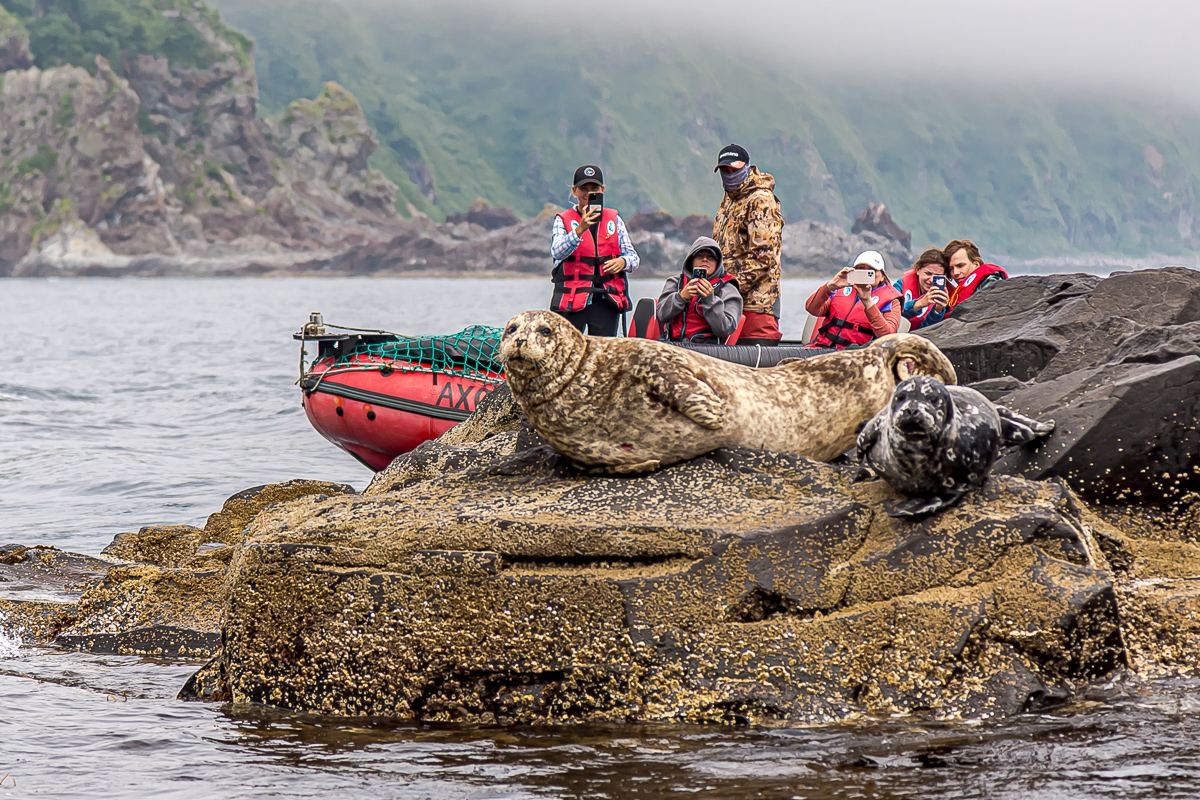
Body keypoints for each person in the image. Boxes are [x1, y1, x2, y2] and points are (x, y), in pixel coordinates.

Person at [549, 164, 640, 335]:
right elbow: (557, 252)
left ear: (603, 189)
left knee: (603, 356)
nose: (589, 193)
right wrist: (579, 230)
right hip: (571, 301)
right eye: (584, 188)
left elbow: (633, 258)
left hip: (606, 300)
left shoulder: (615, 220)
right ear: (575, 191)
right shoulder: (563, 220)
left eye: (594, 188)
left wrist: (622, 262)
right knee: (566, 354)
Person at [712, 143, 785, 345]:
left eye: (734, 170)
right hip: (728, 305)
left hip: (757, 306)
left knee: (753, 371)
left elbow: (763, 258)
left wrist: (726, 287)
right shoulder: (729, 199)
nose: (729, 174)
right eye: (724, 170)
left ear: (747, 167)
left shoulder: (761, 200)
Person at [805, 250, 902, 348]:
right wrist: (830, 286)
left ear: (882, 276)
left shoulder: (892, 301)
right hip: (821, 347)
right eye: (861, 269)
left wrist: (868, 303)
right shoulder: (840, 290)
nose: (865, 273)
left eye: (872, 270)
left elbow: (888, 336)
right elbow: (812, 309)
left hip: (855, 356)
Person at [656, 236, 743, 343]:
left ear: (718, 263)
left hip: (707, 350)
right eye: (700, 256)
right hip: (674, 346)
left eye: (711, 257)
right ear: (691, 261)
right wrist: (681, 297)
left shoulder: (727, 288)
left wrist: (709, 300)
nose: (705, 259)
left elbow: (725, 329)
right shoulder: (675, 282)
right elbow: (661, 315)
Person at [894, 247, 951, 330]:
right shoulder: (900, 286)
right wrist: (918, 304)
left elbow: (929, 331)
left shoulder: (945, 296)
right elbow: (890, 316)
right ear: (918, 269)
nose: (931, 280)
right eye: (928, 273)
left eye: (937, 276)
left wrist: (937, 311)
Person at [944, 239, 1007, 312]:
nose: (955, 273)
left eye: (960, 266)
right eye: (951, 268)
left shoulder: (990, 282)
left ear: (976, 264)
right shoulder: (954, 295)